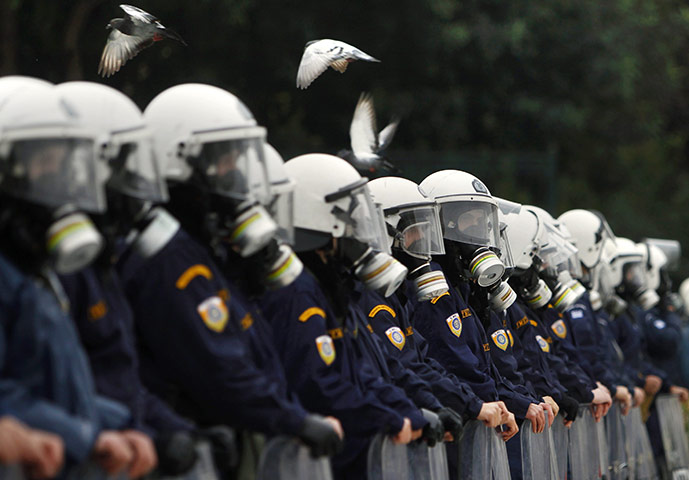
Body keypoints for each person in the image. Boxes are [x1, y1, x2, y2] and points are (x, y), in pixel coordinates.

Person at [118, 83, 343, 473]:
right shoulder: (174, 258)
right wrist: (292, 420)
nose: (235, 176)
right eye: (224, 161)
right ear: (179, 160)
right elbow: (216, 366)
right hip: (186, 451)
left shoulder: (200, 251)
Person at [0, 79, 153, 478]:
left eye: (64, 165)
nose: (61, 184)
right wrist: (86, 437)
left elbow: (58, 388)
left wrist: (116, 425)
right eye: (45, 165)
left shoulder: (33, 273)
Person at [261, 154, 429, 480]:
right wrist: (386, 418)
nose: (358, 232)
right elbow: (315, 381)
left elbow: (364, 372)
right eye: (350, 222)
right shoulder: (296, 291)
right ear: (321, 221)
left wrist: (407, 411)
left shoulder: (331, 287)